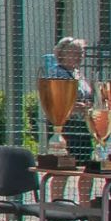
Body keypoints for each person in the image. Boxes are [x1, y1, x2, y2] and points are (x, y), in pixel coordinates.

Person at [41, 37, 95, 198]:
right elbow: (55, 101)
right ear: (61, 54)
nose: (78, 56)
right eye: (74, 52)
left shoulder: (78, 74)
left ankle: (85, 203)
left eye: (81, 53)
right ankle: (56, 203)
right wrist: (74, 106)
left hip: (82, 125)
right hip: (64, 125)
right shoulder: (57, 73)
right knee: (63, 166)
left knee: (87, 166)